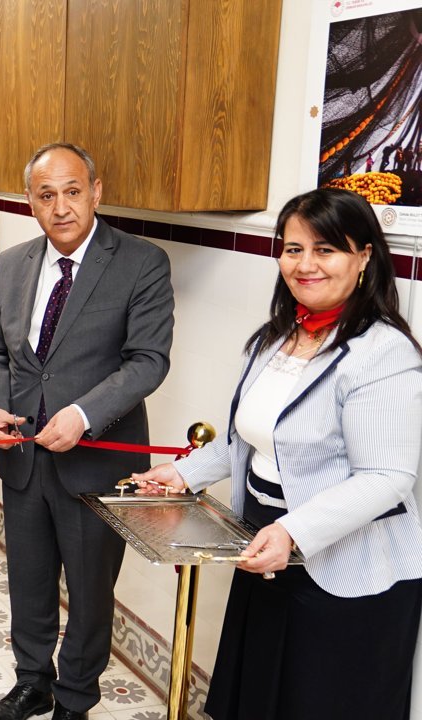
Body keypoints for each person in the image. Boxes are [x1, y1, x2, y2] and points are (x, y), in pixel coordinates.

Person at [132, 188, 422, 720]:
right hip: (265, 543)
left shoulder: (383, 354)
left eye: (325, 249)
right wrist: (184, 473)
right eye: (292, 249)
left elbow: (387, 477)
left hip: (346, 568)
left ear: (364, 256)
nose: (305, 265)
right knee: (261, 696)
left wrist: (293, 531)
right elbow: (248, 439)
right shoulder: (277, 337)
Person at [0, 143, 173, 720]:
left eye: (72, 191)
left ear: (96, 191)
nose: (60, 207)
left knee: (90, 591)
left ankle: (75, 696)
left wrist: (84, 414)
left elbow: (148, 360)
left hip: (97, 461)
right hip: (23, 457)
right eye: (46, 195)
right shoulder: (13, 263)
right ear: (30, 201)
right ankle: (32, 681)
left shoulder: (141, 261)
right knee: (28, 581)